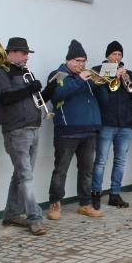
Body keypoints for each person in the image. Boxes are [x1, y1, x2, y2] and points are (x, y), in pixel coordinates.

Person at [46, 39, 108, 219]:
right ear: (68, 60)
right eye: (77, 61)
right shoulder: (58, 74)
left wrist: (101, 85)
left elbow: (102, 102)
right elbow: (57, 96)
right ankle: (55, 204)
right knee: (61, 170)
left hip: (89, 130)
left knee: (86, 170)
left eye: (83, 61)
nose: (81, 65)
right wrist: (80, 80)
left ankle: (85, 204)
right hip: (67, 131)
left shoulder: (88, 78)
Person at [0, 37, 47, 236]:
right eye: (23, 53)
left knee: (21, 175)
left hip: (33, 128)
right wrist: (29, 88)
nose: (26, 58)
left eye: (27, 54)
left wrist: (47, 90)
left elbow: (35, 98)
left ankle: (12, 214)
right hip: (16, 130)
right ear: (12, 52)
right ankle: (35, 217)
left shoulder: (25, 73)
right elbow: (5, 97)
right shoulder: (0, 73)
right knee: (26, 176)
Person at [91, 41, 132, 209]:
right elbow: (99, 93)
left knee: (120, 161)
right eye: (114, 54)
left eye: (119, 55)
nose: (117, 57)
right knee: (101, 161)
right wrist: (113, 77)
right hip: (107, 122)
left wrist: (126, 79)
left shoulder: (128, 73)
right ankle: (96, 194)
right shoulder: (98, 71)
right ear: (107, 55)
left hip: (125, 123)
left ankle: (115, 194)